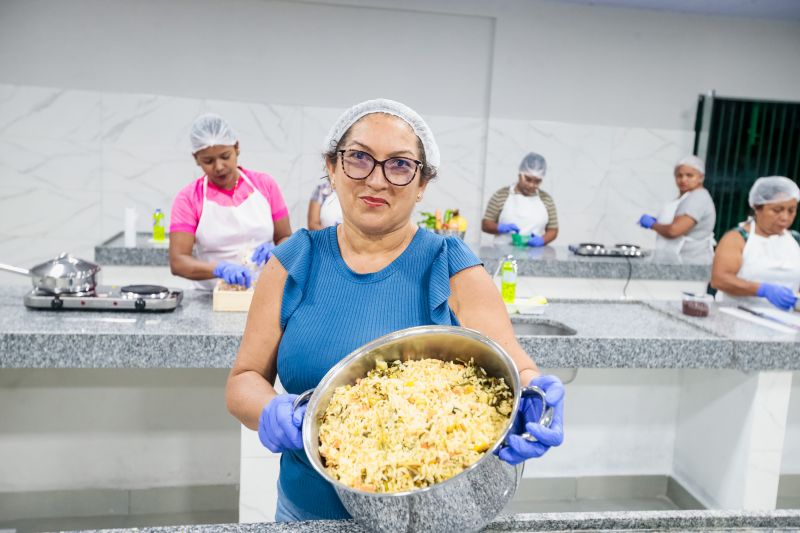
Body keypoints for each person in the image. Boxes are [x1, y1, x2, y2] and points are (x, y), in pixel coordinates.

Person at [225, 99, 565, 521]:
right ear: (332, 168)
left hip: (429, 518)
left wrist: (535, 396)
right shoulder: (293, 261)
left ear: (422, 183)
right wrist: (270, 410)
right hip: (306, 515)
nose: (377, 179)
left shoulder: (450, 264)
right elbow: (243, 380)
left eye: (400, 165)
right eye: (359, 158)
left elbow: (515, 362)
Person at [169, 114, 292, 290]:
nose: (219, 166)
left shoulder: (265, 185)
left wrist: (278, 251)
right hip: (211, 296)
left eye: (225, 156)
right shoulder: (188, 198)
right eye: (208, 161)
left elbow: (285, 237)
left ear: (237, 147)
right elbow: (178, 261)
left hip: (264, 292)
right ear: (196, 158)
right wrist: (219, 269)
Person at [711, 176, 800, 310]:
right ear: (757, 208)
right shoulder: (737, 238)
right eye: (777, 210)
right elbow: (719, 279)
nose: (785, 217)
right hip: (736, 317)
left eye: (791, 210)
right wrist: (762, 289)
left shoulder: (795, 240)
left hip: (784, 321)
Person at [638, 156, 716, 263]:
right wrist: (659, 222)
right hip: (677, 260)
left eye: (689, 175)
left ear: (701, 178)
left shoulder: (698, 198)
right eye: (679, 175)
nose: (683, 180)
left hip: (692, 262)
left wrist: (652, 224)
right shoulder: (687, 197)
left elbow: (674, 231)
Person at [482, 152, 558, 247]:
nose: (531, 185)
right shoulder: (501, 195)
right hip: (502, 255)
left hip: (535, 256)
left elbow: (553, 230)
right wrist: (499, 227)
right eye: (528, 179)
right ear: (520, 174)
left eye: (537, 182)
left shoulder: (546, 199)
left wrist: (542, 240)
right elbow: (485, 224)